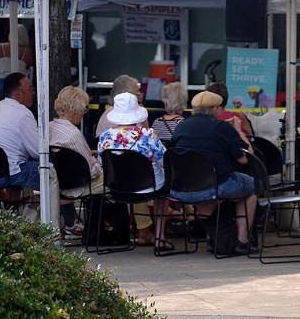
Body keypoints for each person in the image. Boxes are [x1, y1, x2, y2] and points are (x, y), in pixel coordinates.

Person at [170, 90, 257, 256]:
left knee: (214, 193)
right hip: (214, 185)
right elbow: (246, 159)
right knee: (253, 186)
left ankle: (215, 238)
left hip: (183, 188)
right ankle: (243, 240)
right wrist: (238, 130)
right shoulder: (221, 127)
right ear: (216, 108)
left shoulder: (181, 127)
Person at [97, 92, 168, 248]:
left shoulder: (105, 137)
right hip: (148, 188)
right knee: (164, 190)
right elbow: (165, 160)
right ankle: (160, 237)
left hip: (116, 187)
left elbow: (102, 164)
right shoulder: (148, 135)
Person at [49, 85, 104, 235]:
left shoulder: (49, 127)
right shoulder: (74, 134)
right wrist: (100, 164)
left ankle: (71, 223)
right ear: (76, 110)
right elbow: (90, 170)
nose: (84, 113)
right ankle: (103, 229)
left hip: (58, 180)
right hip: (78, 183)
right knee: (112, 180)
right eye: (84, 110)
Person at [0, 73, 40, 190]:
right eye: (30, 89)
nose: (33, 92)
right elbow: (38, 151)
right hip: (11, 175)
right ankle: (55, 207)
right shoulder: (23, 114)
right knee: (52, 171)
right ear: (18, 94)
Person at [0, 25, 34, 105]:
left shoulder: (0, 47)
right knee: (17, 110)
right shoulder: (27, 52)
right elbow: (28, 67)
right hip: (17, 86)